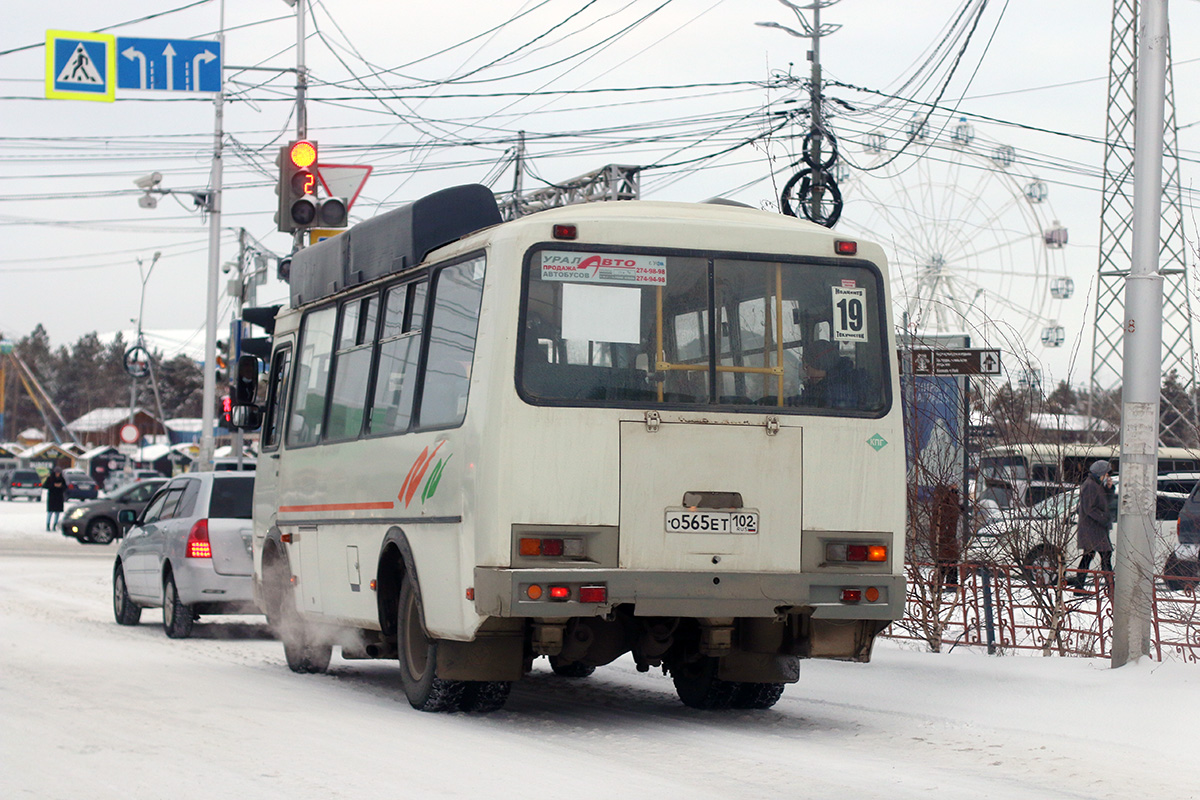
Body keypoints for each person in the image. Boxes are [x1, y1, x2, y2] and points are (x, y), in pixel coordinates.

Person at [1070, 459, 1114, 593]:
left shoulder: (1097, 484)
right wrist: (1104, 518)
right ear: (1100, 473)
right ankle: (1111, 586)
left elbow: (1107, 501)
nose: (1107, 476)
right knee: (1105, 555)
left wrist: (1109, 488)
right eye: (1106, 473)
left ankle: (1079, 587)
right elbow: (1090, 508)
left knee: (1089, 556)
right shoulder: (1090, 485)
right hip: (1093, 528)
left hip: (1095, 528)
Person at [798, 339, 861, 409]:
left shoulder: (839, 393)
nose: (805, 372)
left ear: (819, 366)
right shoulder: (825, 384)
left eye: (807, 367)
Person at [42, 466, 67, 532]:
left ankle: (54, 525)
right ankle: (48, 525)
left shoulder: (62, 479)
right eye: (56, 472)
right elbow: (45, 486)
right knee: (50, 512)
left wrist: (61, 486)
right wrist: (53, 485)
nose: (57, 474)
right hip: (52, 498)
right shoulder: (50, 478)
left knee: (57, 513)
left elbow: (65, 487)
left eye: (59, 472)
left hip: (59, 498)